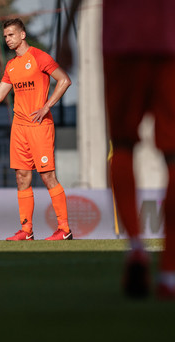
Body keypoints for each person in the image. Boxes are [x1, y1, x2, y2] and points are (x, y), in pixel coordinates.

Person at [63, 0, 175, 299]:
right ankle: (169, 273)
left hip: (120, 40)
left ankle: (136, 247)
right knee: (173, 156)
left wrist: (66, 34)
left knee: (123, 146)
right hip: (168, 39)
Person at [0, 18, 72, 241]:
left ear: (22, 35)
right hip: (19, 127)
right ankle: (26, 230)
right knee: (21, 177)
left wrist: (46, 106)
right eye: (5, 36)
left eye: (11, 35)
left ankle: (64, 229)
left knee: (48, 175)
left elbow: (64, 80)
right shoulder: (11, 65)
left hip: (39, 125)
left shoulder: (39, 57)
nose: (8, 39)